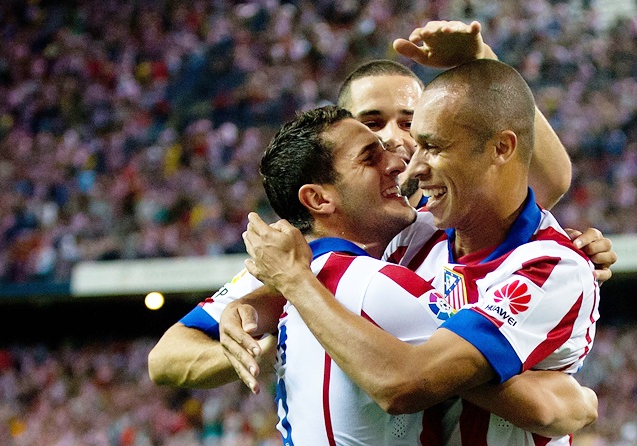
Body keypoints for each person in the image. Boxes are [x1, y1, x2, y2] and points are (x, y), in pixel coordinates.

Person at [148, 20, 615, 390]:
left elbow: (543, 178)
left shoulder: (443, 225)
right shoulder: (297, 252)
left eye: (410, 122)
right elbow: (167, 357)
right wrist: (274, 345)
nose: (393, 137)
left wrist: (482, 63)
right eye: (371, 124)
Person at [224, 58, 601, 446]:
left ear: (501, 148)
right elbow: (336, 281)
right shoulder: (411, 234)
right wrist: (252, 305)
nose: (410, 165)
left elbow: (408, 381)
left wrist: (294, 282)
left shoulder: (553, 266)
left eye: (432, 147)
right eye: (415, 144)